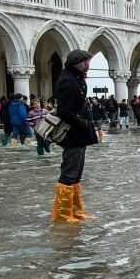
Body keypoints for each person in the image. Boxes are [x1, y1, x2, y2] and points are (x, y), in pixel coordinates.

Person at [52, 50, 98, 222]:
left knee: (76, 175)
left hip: (80, 135)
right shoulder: (67, 81)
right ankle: (63, 216)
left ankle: (76, 212)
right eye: (87, 61)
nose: (89, 64)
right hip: (72, 135)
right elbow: (65, 112)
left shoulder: (77, 79)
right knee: (68, 175)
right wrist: (83, 123)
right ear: (80, 63)